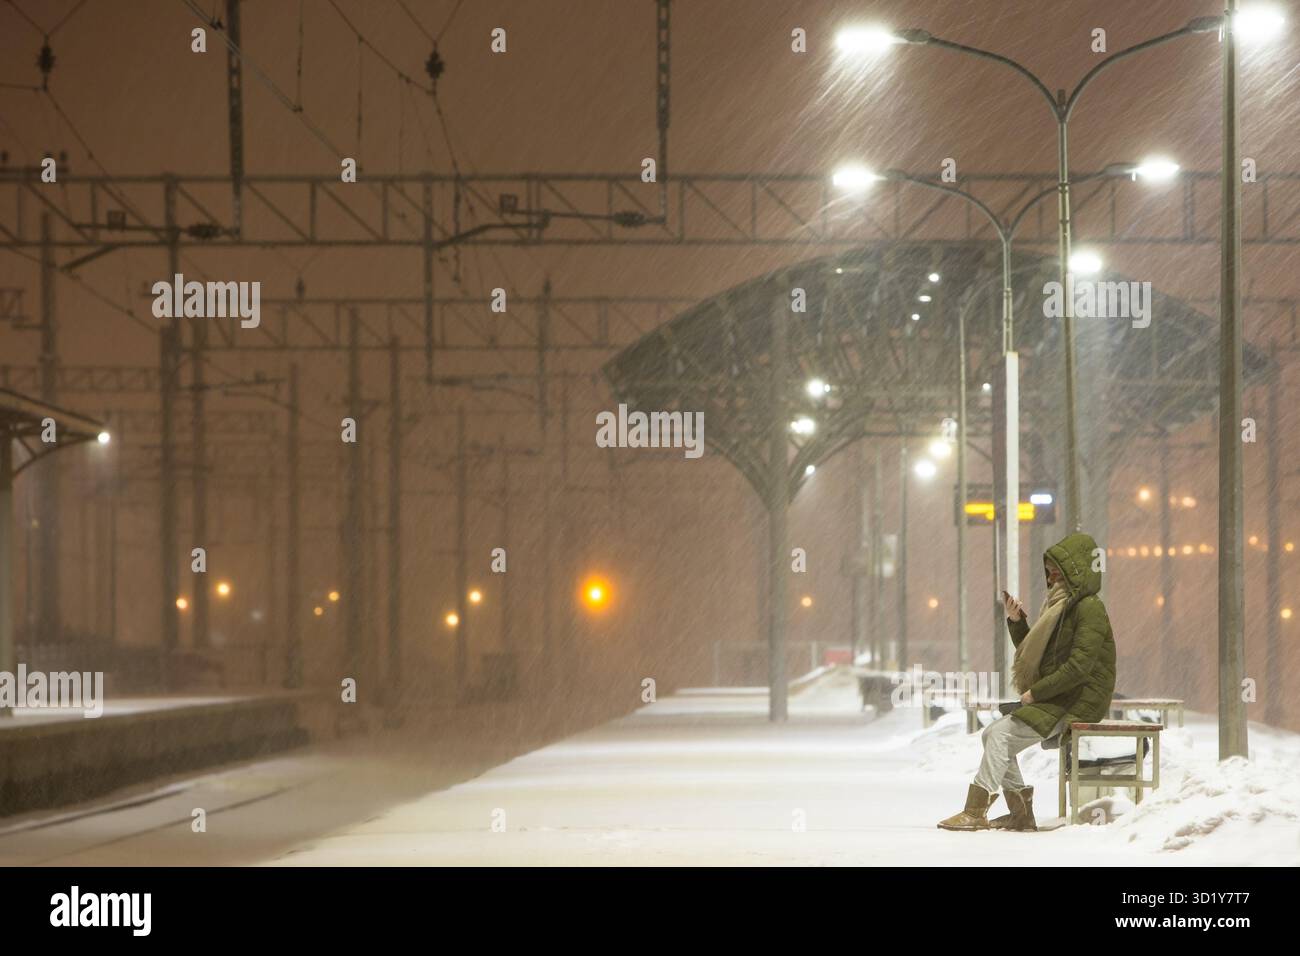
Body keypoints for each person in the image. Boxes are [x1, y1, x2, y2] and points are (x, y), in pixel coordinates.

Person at [937, 531, 1116, 832]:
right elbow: (1043, 656)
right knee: (991, 735)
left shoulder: (1088, 609)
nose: (1051, 577)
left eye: (1058, 571)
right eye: (1049, 571)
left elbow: (1078, 668)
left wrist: (1036, 692)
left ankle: (975, 810)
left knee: (1000, 735)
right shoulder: (1062, 607)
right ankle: (1020, 813)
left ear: (1076, 572)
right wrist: (1017, 622)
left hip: (1077, 702)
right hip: (1061, 697)